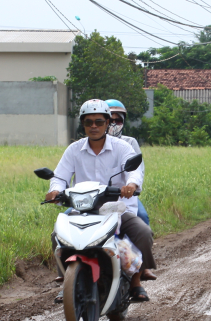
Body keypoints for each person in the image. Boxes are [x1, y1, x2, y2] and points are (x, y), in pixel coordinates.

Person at [46, 99, 155, 303]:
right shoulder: (73, 150)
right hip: (82, 209)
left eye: (98, 122)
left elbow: (133, 171)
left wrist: (130, 185)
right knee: (57, 235)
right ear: (83, 125)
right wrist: (55, 190)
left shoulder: (122, 148)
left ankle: (136, 281)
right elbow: (60, 176)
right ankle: (66, 278)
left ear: (107, 123)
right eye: (88, 123)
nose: (93, 126)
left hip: (116, 209)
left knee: (143, 233)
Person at [105, 99, 157, 281]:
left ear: (123, 122)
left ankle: (143, 267)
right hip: (95, 199)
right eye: (109, 120)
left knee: (142, 218)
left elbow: (137, 167)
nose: (113, 124)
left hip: (124, 197)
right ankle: (67, 274)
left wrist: (131, 185)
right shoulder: (89, 144)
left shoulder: (129, 142)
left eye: (117, 120)